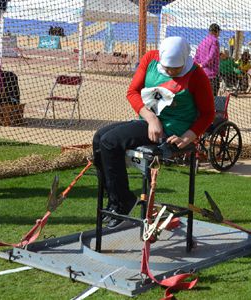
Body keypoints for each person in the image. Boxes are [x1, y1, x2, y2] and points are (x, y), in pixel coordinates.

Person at [93, 36, 215, 229]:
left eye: (175, 69)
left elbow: (208, 113)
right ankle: (115, 199)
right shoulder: (150, 58)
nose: (170, 72)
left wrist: (189, 136)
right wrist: (151, 118)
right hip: (150, 122)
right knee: (99, 138)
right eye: (167, 68)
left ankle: (122, 201)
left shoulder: (197, 75)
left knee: (110, 142)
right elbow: (132, 92)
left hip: (171, 129)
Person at [194, 23, 221, 96]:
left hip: (201, 74)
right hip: (211, 75)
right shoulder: (215, 41)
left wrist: (198, 66)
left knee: (202, 96)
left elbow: (196, 56)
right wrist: (203, 65)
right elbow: (211, 57)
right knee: (212, 97)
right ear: (217, 32)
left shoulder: (203, 41)